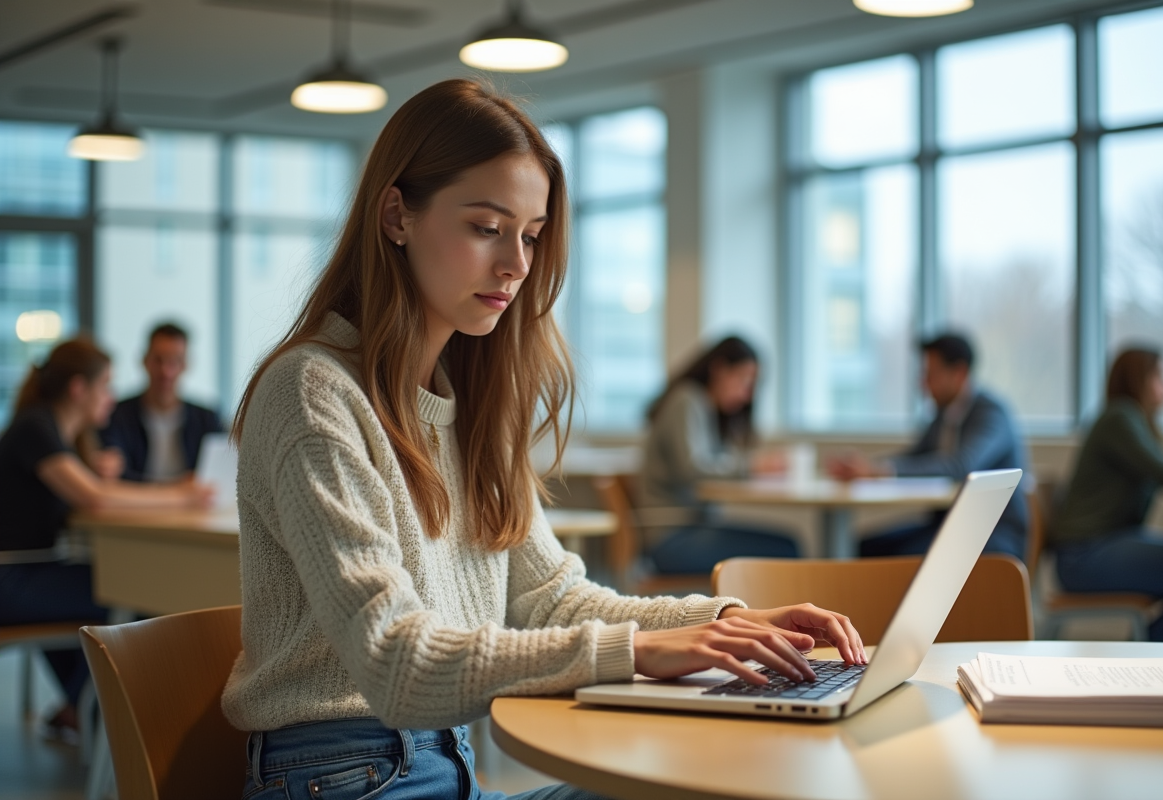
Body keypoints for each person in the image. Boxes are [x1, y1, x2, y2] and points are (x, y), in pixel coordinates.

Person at [221, 79, 864, 800]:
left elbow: (553, 600)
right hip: (342, 778)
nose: (517, 267)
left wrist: (725, 625)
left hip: (442, 765)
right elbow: (396, 664)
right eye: (487, 228)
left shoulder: (467, 406)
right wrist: (638, 651)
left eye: (529, 235)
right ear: (397, 215)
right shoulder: (313, 391)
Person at [0, 338, 212, 738]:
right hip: (11, 579)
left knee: (111, 587)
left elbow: (92, 492)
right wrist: (182, 494)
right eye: (106, 386)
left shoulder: (56, 433)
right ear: (79, 388)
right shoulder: (37, 427)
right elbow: (95, 499)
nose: (112, 398)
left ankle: (83, 710)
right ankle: (110, 721)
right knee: (135, 593)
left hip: (27, 571)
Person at [827, 333, 1029, 560]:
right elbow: (916, 456)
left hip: (990, 533)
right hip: (947, 527)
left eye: (931, 374)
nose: (923, 383)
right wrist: (870, 467)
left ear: (959, 373)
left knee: (901, 559)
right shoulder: (944, 414)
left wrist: (880, 471)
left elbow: (960, 466)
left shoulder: (991, 414)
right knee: (863, 548)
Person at [1049, 347, 1163, 642]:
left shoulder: (1129, 419)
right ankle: (1152, 655)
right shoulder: (1120, 418)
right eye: (1160, 376)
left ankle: (1151, 649)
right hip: (1084, 557)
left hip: (1103, 546)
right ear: (1139, 379)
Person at [640, 336, 800, 574]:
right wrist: (751, 466)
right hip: (672, 539)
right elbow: (692, 469)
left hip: (689, 531)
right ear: (719, 370)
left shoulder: (705, 410)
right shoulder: (686, 401)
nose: (747, 394)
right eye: (743, 380)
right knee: (789, 549)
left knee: (790, 545)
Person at [99, 322, 223, 482]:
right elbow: (114, 475)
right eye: (158, 360)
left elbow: (218, 476)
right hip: (132, 506)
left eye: (175, 361)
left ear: (185, 365)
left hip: (194, 507)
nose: (166, 371)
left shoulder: (207, 418)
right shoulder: (115, 415)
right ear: (144, 361)